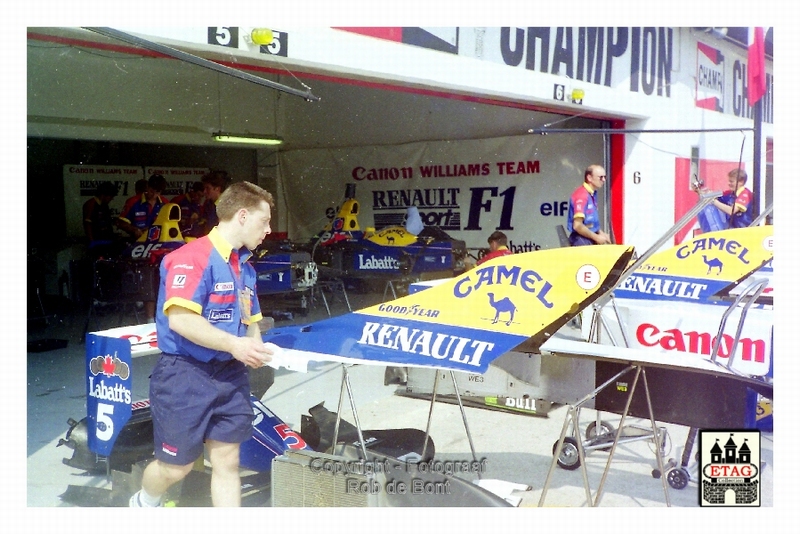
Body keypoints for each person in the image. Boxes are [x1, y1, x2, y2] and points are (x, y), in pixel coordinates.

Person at [130, 181, 275, 507]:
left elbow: (251, 322)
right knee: (175, 467)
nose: (268, 230)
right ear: (241, 215)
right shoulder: (191, 258)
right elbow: (181, 321)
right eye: (264, 221)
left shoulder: (245, 268)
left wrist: (259, 349)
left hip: (229, 374)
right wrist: (235, 345)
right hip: (185, 375)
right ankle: (143, 503)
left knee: (227, 461)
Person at [567, 164, 612, 246]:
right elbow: (577, 225)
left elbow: (591, 223)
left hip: (589, 237)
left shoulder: (592, 193)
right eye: (600, 177)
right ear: (589, 178)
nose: (604, 180)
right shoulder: (582, 195)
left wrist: (602, 234)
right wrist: (596, 237)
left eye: (605, 177)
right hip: (580, 240)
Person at [116, 174, 168, 240]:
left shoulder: (165, 204)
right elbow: (121, 223)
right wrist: (134, 230)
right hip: (136, 243)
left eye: (157, 192)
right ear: (147, 186)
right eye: (152, 191)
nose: (154, 195)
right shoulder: (133, 202)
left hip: (159, 243)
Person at [82, 181, 119, 258]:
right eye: (111, 196)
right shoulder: (91, 204)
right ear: (104, 195)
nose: (111, 199)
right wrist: (92, 241)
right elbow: (87, 224)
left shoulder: (104, 205)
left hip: (106, 240)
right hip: (96, 241)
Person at [200, 170, 231, 235]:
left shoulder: (227, 206)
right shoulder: (208, 204)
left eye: (208, 188)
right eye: (204, 188)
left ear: (217, 189)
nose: (204, 192)